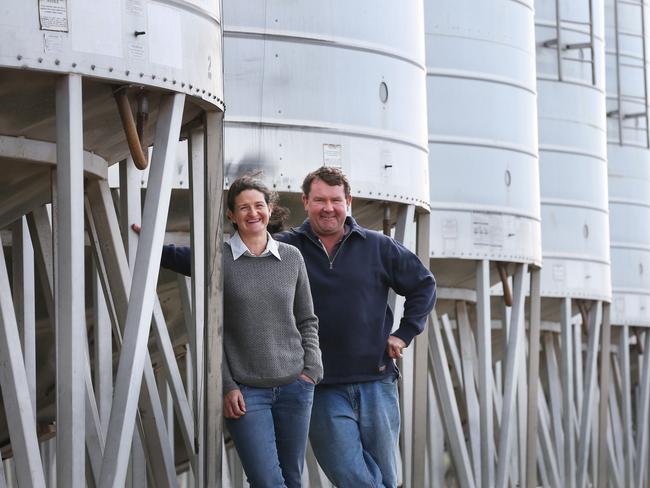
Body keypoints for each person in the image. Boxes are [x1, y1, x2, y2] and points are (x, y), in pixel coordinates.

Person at [154, 175, 323, 488]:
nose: (253, 213)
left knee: (292, 480)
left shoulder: (291, 257)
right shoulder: (220, 260)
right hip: (246, 393)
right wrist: (228, 384)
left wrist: (311, 370)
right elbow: (214, 330)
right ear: (231, 215)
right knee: (267, 481)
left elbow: (307, 318)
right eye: (243, 207)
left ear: (270, 209)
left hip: (295, 387)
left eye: (259, 205)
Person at [275, 166, 436, 488]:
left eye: (336, 200)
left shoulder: (378, 246)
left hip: (377, 381)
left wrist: (404, 334)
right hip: (319, 384)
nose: (328, 208)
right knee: (353, 478)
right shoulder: (284, 248)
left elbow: (424, 285)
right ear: (305, 201)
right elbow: (228, 261)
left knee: (387, 479)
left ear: (348, 201)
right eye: (320, 200)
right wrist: (155, 248)